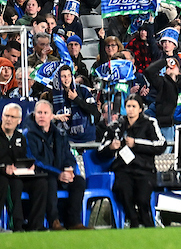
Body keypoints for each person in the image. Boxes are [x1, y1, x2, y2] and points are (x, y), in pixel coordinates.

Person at [99, 95, 166, 228]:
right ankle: (133, 222)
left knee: (142, 199)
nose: (130, 109)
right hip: (124, 170)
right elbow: (100, 150)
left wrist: (136, 143)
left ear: (140, 109)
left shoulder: (150, 123)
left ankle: (148, 224)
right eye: (128, 106)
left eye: (134, 106)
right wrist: (111, 147)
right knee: (123, 191)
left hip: (144, 170)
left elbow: (161, 145)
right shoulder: (117, 125)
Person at [23, 99, 86, 230]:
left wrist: (69, 169)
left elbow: (69, 155)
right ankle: (54, 221)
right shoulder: (28, 134)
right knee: (49, 180)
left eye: (45, 112)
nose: (42, 115)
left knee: (79, 181)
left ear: (52, 116)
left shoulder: (59, 134)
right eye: (39, 112)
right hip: (41, 176)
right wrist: (58, 174)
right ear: (34, 114)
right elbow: (34, 160)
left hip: (60, 174)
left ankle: (74, 222)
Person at [0, 103, 43, 232]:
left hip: (16, 175)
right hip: (2, 174)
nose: (9, 119)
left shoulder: (20, 138)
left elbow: (23, 159)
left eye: (13, 117)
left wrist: (28, 166)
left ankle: (35, 226)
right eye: (6, 115)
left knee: (41, 183)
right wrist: (3, 168)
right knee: (6, 183)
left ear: (19, 120)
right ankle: (16, 226)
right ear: (1, 117)